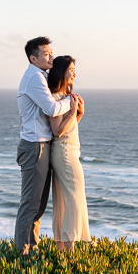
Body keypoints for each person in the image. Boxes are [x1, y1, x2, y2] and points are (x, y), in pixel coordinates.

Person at [14, 37, 79, 255]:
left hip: (41, 146)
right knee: (31, 204)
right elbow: (51, 109)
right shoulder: (34, 77)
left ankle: (32, 249)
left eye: (51, 52)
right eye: (45, 54)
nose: (50, 56)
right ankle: (22, 253)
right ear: (33, 58)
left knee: (39, 205)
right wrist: (71, 101)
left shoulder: (40, 76)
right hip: (35, 147)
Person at [47, 55, 91, 251]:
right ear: (61, 71)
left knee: (65, 200)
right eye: (71, 69)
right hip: (64, 153)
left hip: (68, 151)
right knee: (74, 198)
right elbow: (57, 131)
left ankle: (61, 247)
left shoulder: (66, 98)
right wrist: (72, 112)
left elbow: (68, 129)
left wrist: (78, 115)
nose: (74, 73)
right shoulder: (55, 99)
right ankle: (69, 245)